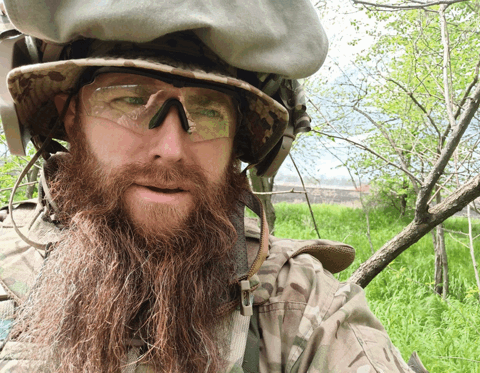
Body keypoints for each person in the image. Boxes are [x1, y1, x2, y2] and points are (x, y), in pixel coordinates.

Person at [0, 0, 422, 372]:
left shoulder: (298, 303)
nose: (171, 148)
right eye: (130, 100)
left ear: (239, 139)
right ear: (71, 116)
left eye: (208, 112)